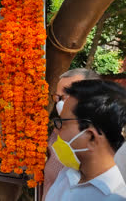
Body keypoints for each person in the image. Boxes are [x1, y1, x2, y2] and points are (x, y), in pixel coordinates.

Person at [45, 80, 126, 201]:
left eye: (62, 124)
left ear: (91, 137)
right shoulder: (68, 174)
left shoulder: (117, 196)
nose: (56, 131)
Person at [42, 68, 100, 200]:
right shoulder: (58, 132)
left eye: (66, 96)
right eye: (57, 98)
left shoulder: (101, 142)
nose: (60, 103)